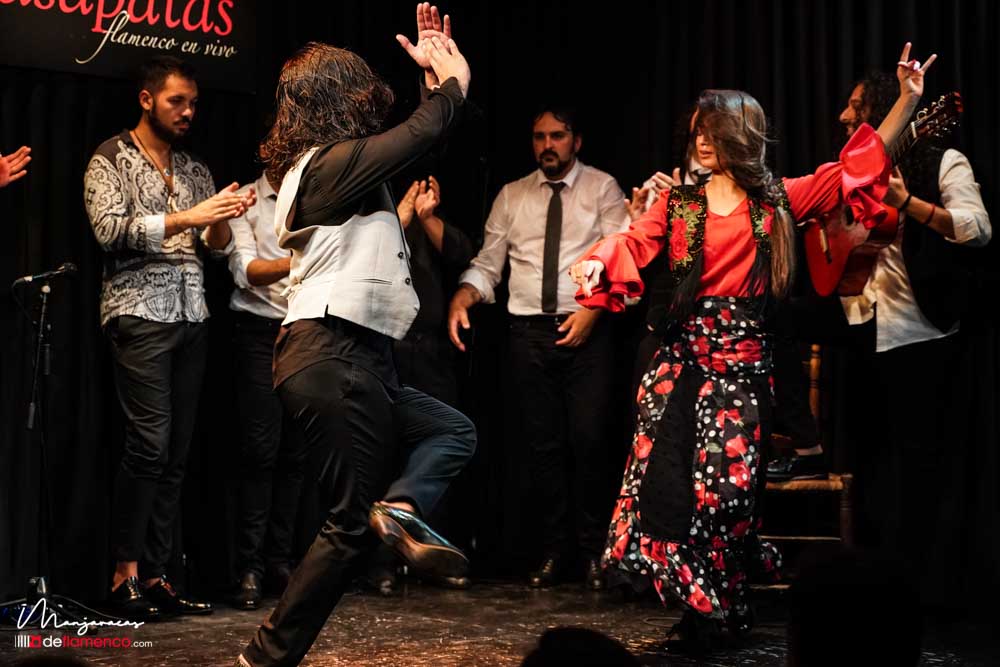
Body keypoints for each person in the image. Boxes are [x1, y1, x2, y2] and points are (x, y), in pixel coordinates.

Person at [570, 43, 934, 649]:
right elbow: (632, 242)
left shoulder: (778, 201)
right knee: (670, 492)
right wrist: (597, 263)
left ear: (739, 134)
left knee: (726, 496)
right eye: (696, 131)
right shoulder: (679, 206)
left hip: (740, 372)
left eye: (712, 129)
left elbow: (857, 167)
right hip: (680, 368)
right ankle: (702, 615)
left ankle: (726, 606)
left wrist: (907, 101)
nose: (701, 140)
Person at [238, 5, 475, 665]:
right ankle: (263, 656)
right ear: (337, 99)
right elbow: (420, 133)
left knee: (452, 430)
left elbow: (423, 140)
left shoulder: (340, 172)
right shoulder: (323, 167)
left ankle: (400, 507)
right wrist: (453, 84)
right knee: (346, 524)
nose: (373, 96)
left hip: (361, 356)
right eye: (361, 88)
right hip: (331, 350)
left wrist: (431, 89)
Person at [84, 55, 254, 619]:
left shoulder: (196, 168)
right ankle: (123, 573)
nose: (187, 112)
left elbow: (218, 249)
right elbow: (110, 231)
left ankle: (157, 575)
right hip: (138, 314)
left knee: (177, 453)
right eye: (177, 101)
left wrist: (224, 214)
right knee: (149, 445)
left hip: (192, 317)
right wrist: (189, 217)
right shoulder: (110, 158)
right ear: (147, 99)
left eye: (193, 104)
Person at [832, 71, 990, 601]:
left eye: (856, 107)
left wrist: (910, 205)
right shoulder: (852, 171)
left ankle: (919, 593)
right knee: (868, 469)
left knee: (917, 474)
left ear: (881, 112)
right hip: (860, 325)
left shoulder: (943, 160)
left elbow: (978, 229)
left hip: (919, 334)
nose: (844, 116)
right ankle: (866, 586)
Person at [208, 171, 308, 610]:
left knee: (296, 453)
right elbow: (247, 272)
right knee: (259, 452)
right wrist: (306, 260)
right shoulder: (248, 198)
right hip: (259, 333)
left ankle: (279, 562)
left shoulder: (313, 194)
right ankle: (248, 566)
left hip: (305, 329)